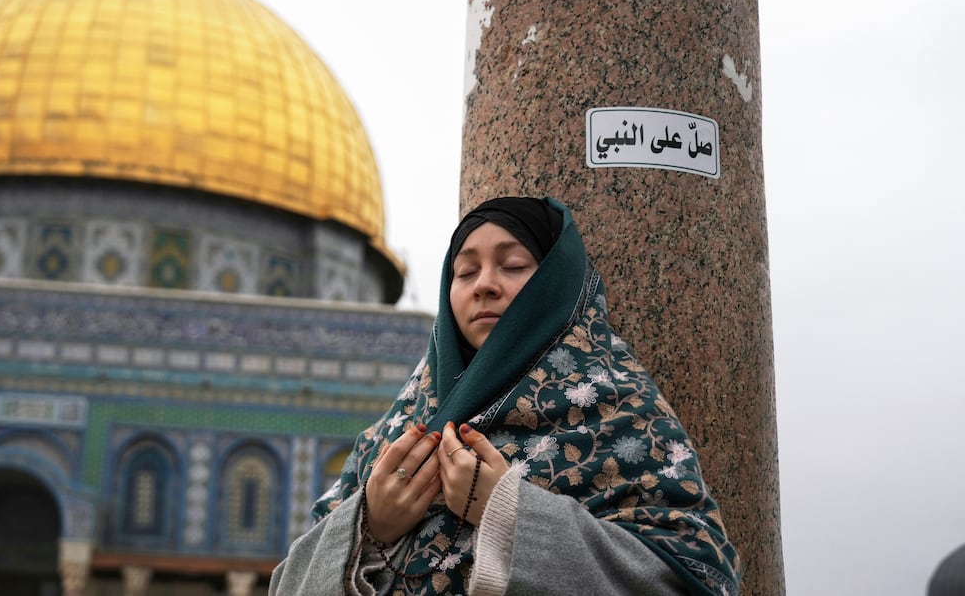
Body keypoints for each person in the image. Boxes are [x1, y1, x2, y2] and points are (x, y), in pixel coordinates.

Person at [270, 196, 740, 595]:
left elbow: (695, 575)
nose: (485, 285)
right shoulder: (393, 437)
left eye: (513, 265)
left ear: (556, 282)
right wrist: (369, 529)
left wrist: (510, 515)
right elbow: (286, 583)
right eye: (465, 271)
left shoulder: (618, 414)